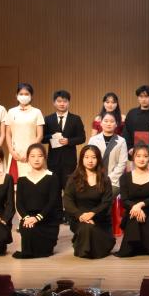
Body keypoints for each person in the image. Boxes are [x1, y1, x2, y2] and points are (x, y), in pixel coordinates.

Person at [63, 144, 115, 259]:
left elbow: (106, 202)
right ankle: (83, 247)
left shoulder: (105, 180)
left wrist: (93, 213)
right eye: (86, 157)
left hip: (100, 219)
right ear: (82, 159)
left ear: (98, 159)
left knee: (93, 231)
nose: (90, 161)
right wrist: (80, 215)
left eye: (93, 157)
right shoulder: (73, 179)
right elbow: (67, 200)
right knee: (86, 227)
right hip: (79, 218)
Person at [12, 144, 61, 259]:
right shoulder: (22, 179)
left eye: (40, 156)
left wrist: (38, 218)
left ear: (44, 157)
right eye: (32, 156)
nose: (36, 159)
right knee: (28, 230)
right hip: (28, 218)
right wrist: (26, 218)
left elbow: (53, 202)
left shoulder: (52, 177)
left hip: (48, 219)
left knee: (44, 251)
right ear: (28, 158)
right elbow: (19, 203)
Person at [117, 144, 149, 258]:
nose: (141, 159)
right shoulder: (125, 177)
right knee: (134, 219)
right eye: (138, 156)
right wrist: (135, 207)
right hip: (132, 211)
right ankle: (134, 248)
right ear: (133, 157)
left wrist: (140, 205)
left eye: (145, 156)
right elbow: (124, 200)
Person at [43, 89, 86, 220]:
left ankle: (69, 214)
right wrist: (51, 136)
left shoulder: (75, 119)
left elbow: (82, 138)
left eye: (65, 101)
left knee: (69, 188)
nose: (62, 104)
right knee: (54, 188)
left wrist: (69, 141)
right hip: (53, 160)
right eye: (59, 101)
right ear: (54, 103)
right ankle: (57, 214)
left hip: (69, 160)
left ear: (68, 102)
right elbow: (42, 138)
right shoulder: (48, 119)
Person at [3, 82, 44, 182]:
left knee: (32, 181)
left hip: (32, 153)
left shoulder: (37, 112)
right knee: (15, 183)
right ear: (16, 96)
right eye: (21, 94)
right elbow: (8, 133)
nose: (23, 96)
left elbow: (40, 135)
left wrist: (29, 152)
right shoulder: (11, 111)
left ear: (31, 96)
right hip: (15, 153)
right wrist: (11, 151)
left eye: (26, 94)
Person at [88, 113, 127, 193]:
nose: (109, 124)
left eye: (112, 121)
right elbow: (89, 160)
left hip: (113, 181)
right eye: (106, 121)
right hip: (95, 179)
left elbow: (122, 163)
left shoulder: (121, 141)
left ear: (116, 124)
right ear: (101, 123)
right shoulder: (93, 140)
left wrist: (109, 178)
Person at [123, 84, 149, 151]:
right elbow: (126, 132)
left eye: (146, 96)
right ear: (138, 98)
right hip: (134, 151)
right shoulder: (131, 113)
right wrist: (129, 148)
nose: (143, 99)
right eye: (141, 96)